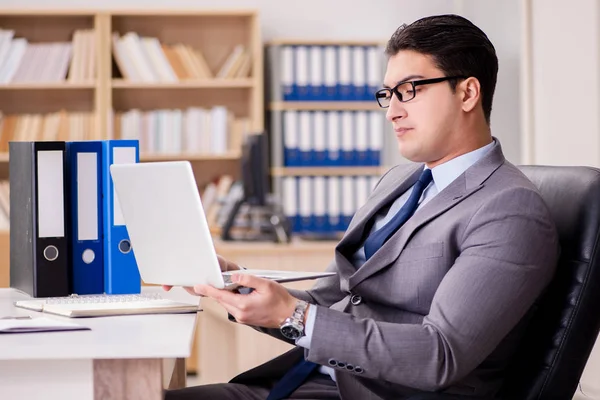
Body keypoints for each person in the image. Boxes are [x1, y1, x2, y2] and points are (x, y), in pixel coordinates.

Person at [165, 14, 560, 400]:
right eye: (388, 94)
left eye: (410, 90)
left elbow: (439, 354)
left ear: (468, 93)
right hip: (306, 378)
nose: (392, 111)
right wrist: (238, 286)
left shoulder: (510, 210)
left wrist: (293, 316)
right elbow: (327, 302)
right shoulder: (397, 181)